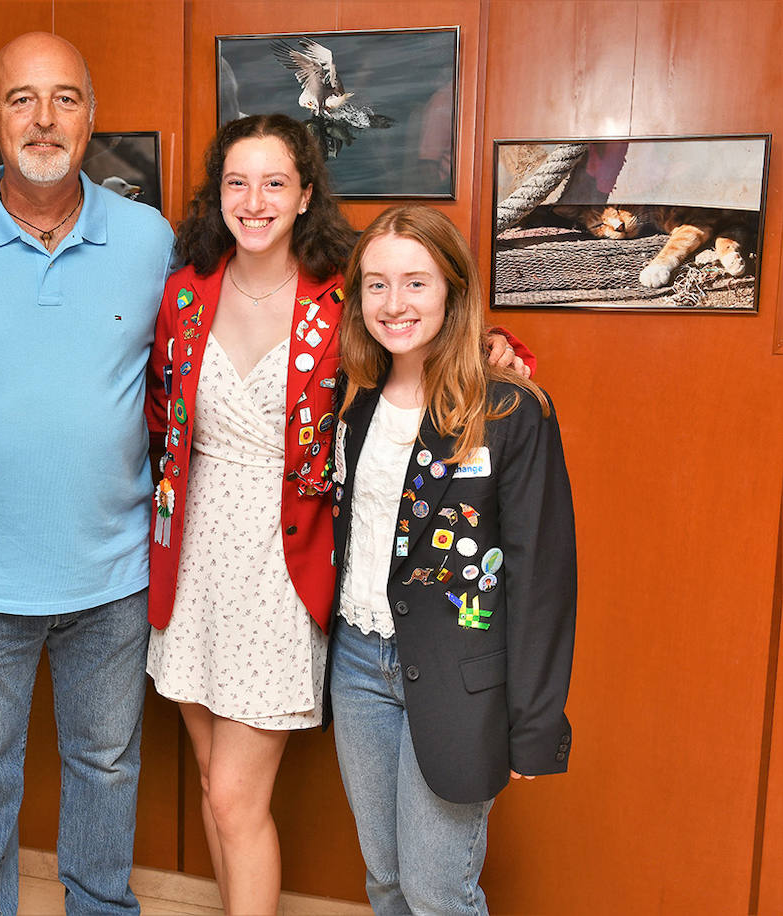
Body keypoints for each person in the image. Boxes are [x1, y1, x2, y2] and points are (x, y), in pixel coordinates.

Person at [145, 116, 530, 914]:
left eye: (275, 182)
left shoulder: (338, 293)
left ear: (306, 194)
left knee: (235, 798)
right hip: (190, 557)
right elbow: (159, 412)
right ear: (217, 195)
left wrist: (496, 345)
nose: (254, 202)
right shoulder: (186, 293)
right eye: (236, 183)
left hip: (284, 560)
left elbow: (420, 318)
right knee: (217, 785)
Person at [0, 32, 174, 914]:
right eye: (22, 99)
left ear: (91, 118)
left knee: (106, 765)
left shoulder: (149, 239)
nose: (44, 120)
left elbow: (230, 339)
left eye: (65, 99)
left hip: (113, 572)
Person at [329, 204, 576, 914]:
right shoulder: (355, 401)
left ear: (453, 292)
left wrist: (534, 723)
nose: (394, 303)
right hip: (357, 664)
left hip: (460, 677)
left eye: (416, 283)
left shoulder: (509, 410)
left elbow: (542, 578)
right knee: (385, 879)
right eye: (376, 285)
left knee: (438, 890)